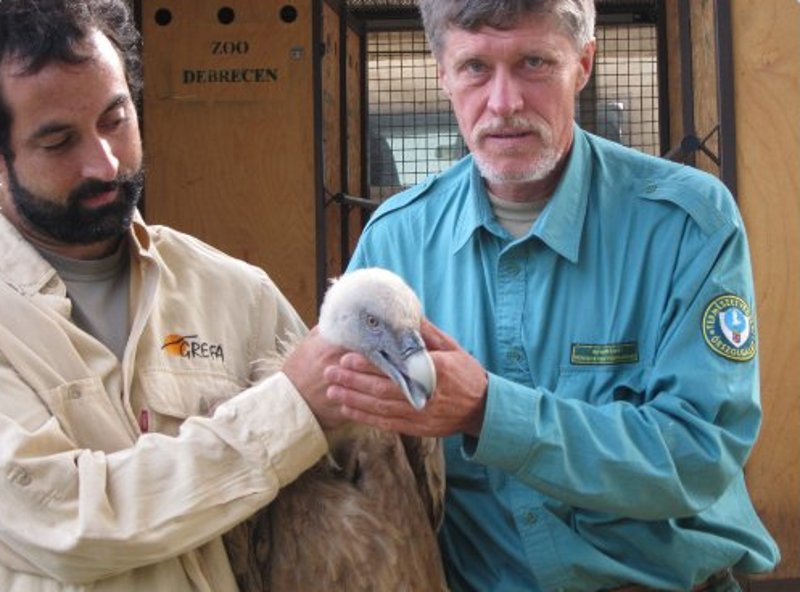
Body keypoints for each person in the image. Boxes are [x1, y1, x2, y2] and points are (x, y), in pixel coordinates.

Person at [323, 1, 781, 590]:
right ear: (443, 74)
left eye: (534, 62)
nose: (504, 101)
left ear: (583, 63)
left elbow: (698, 455)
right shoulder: (396, 239)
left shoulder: (687, 224)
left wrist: (488, 411)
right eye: (475, 69)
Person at [0, 0, 349, 589]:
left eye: (116, 119)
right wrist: (290, 410)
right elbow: (69, 525)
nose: (104, 163)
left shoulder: (236, 293)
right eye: (58, 142)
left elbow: (326, 495)